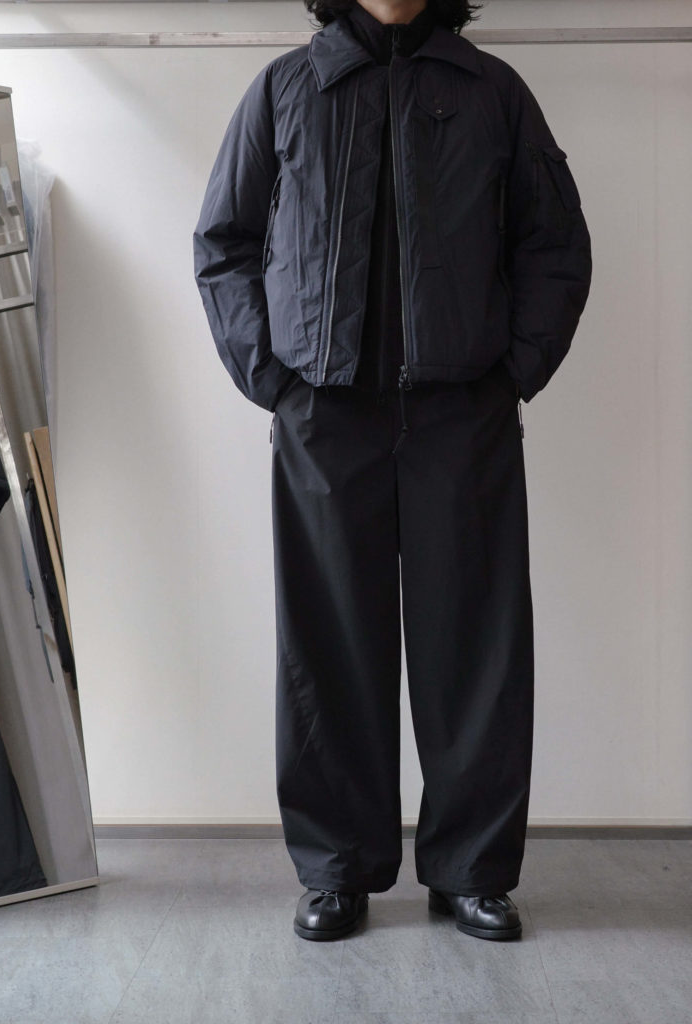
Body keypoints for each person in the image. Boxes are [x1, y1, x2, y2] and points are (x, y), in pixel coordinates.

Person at [193, 0, 592, 942]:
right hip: (325, 414)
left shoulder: (491, 91)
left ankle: (471, 871)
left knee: (476, 649)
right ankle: (337, 869)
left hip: (462, 414)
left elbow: (553, 242)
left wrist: (512, 372)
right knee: (327, 645)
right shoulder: (286, 89)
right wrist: (272, 378)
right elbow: (224, 242)